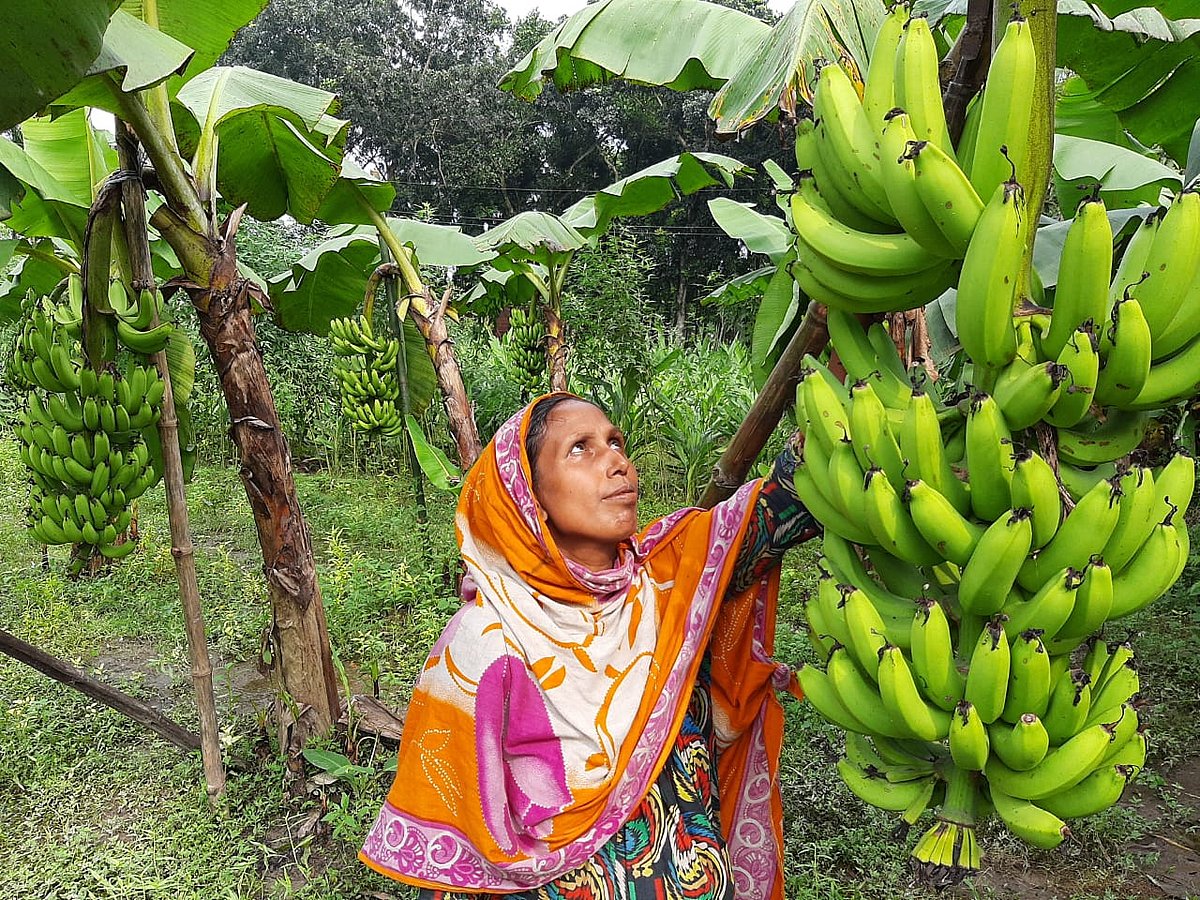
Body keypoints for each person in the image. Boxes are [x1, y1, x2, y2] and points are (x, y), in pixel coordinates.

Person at [360, 393, 819, 899]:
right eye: (580, 448)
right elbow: (454, 845)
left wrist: (835, 379)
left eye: (615, 442)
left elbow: (786, 507)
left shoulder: (672, 582)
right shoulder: (484, 644)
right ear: (527, 495)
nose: (618, 462)